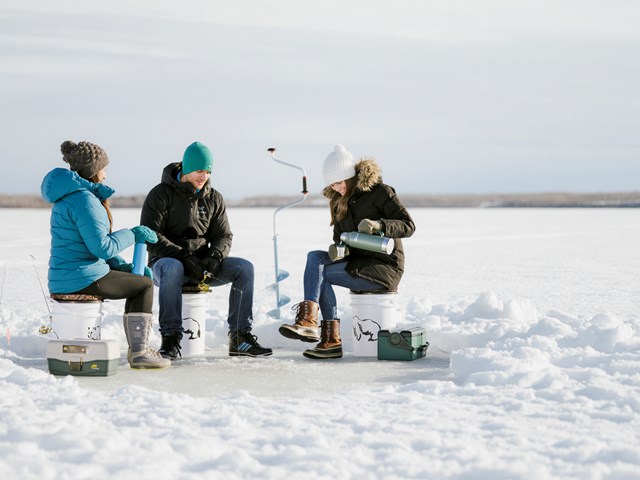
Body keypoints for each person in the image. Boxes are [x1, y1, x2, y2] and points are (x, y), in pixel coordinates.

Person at [40, 140, 171, 369]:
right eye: (104, 168)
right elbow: (102, 248)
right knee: (144, 285)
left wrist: (122, 266)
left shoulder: (71, 197)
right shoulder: (84, 200)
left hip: (69, 276)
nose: (106, 174)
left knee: (138, 279)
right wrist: (133, 233)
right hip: (82, 279)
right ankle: (140, 352)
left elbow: (90, 247)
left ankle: (138, 350)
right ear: (93, 170)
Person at [279, 144, 415, 359]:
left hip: (384, 268)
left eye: (340, 182)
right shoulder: (337, 201)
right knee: (315, 258)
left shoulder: (380, 192)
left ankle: (326, 336)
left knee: (320, 274)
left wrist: (379, 225)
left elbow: (408, 226)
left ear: (350, 177)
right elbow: (339, 238)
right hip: (357, 264)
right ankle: (313, 325)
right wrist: (339, 250)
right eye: (332, 184)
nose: (337, 188)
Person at [140, 141, 272, 359]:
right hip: (165, 264)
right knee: (173, 268)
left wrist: (214, 257)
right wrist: (183, 257)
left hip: (202, 265)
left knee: (244, 268)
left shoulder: (214, 197)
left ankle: (240, 337)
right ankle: (171, 339)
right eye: (199, 171)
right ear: (186, 168)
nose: (204, 176)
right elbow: (152, 237)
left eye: (208, 171)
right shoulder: (160, 194)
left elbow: (223, 236)